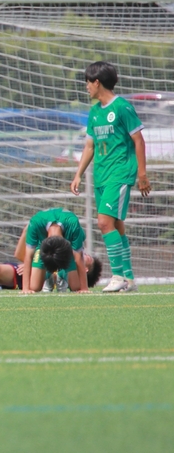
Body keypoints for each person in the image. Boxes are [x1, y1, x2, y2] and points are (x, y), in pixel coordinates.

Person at [71, 61, 150, 293]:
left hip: (121, 173)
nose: (86, 87)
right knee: (117, 226)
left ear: (97, 82)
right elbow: (89, 146)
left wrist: (142, 174)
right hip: (101, 176)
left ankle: (116, 275)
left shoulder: (123, 107)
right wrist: (78, 175)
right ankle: (129, 278)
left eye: (88, 82)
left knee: (104, 223)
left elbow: (139, 141)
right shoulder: (95, 112)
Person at [13, 208, 91, 294]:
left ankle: (62, 275)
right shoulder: (35, 223)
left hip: (69, 243)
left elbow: (78, 257)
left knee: (76, 287)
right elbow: (28, 256)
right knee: (34, 287)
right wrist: (26, 288)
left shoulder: (73, 224)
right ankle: (48, 276)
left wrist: (84, 288)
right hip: (44, 246)